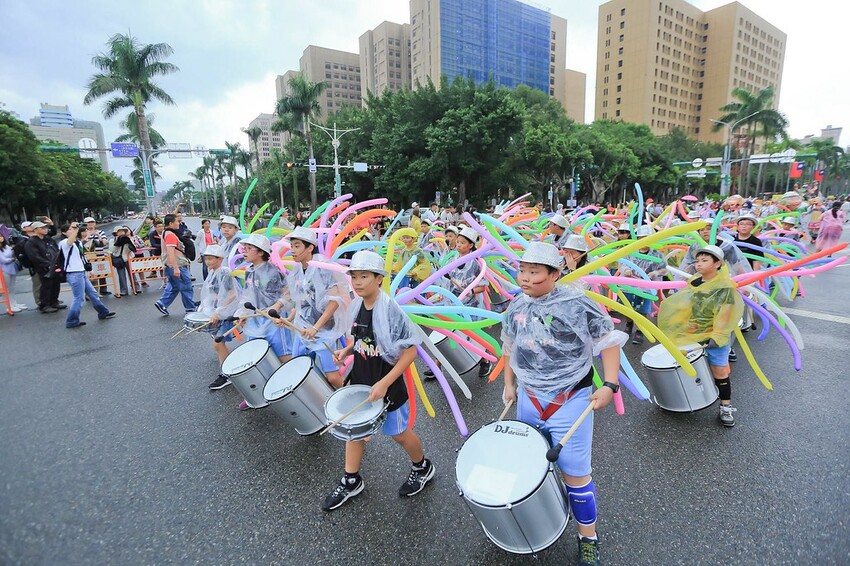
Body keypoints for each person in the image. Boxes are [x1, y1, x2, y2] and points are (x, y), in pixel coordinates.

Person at [501, 242, 627, 566]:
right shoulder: (516, 305)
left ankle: (588, 536)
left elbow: (608, 342)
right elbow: (510, 347)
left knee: (576, 475)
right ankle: (538, 519)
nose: (525, 278)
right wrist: (508, 385)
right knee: (530, 465)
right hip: (529, 398)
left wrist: (610, 385)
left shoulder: (577, 303)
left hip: (570, 401)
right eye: (522, 270)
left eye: (534, 272)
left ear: (555, 274)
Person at [324, 250, 434, 511]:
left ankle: (422, 467)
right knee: (354, 432)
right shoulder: (357, 306)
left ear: (379, 279)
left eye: (364, 276)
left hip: (389, 384)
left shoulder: (391, 311)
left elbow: (410, 351)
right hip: (362, 380)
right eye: (355, 276)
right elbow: (363, 339)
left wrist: (385, 383)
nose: (358, 282)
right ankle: (351, 480)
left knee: (398, 433)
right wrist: (347, 350)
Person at [658, 245, 744, 427]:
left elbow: (726, 314)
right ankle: (687, 399)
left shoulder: (725, 287)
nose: (698, 264)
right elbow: (686, 304)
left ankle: (725, 406)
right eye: (697, 260)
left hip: (714, 338)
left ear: (718, 264)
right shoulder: (695, 282)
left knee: (719, 372)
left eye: (705, 261)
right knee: (683, 366)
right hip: (692, 333)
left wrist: (717, 337)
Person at [285, 226, 350, 389]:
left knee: (332, 377)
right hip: (303, 329)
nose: (292, 250)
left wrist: (316, 327)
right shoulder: (297, 271)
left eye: (297, 246)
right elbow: (301, 302)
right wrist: (289, 319)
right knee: (299, 370)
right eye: (291, 246)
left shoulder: (323, 268)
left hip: (324, 330)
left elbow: (334, 301)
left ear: (310, 247)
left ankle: (348, 403)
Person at [442, 227, 491, 377]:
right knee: (448, 334)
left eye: (462, 243)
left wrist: (470, 292)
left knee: (475, 335)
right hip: (452, 305)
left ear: (470, 245)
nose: (458, 245)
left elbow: (483, 286)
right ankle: (438, 365)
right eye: (458, 242)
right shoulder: (451, 259)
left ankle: (485, 360)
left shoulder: (476, 264)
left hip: (470, 306)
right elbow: (445, 279)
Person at [197, 245, 241, 388]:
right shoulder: (212, 273)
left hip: (228, 313)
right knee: (218, 343)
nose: (208, 262)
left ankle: (226, 374)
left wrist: (220, 311)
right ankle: (228, 368)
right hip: (219, 313)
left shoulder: (225, 272)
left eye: (211, 259)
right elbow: (213, 294)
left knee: (218, 342)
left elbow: (232, 294)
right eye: (206, 259)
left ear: (220, 259)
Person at [58, 223, 116, 328]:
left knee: (93, 293)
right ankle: (71, 321)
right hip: (73, 273)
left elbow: (82, 258)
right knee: (79, 298)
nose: (73, 230)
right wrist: (76, 230)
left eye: (73, 229)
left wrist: (90, 270)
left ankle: (103, 312)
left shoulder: (78, 243)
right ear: (63, 233)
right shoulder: (63, 243)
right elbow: (69, 242)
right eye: (70, 229)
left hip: (81, 271)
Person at [618, 225, 666, 344]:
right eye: (641, 238)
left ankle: (640, 330)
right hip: (629, 284)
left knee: (643, 310)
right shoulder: (631, 250)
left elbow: (664, 269)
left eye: (646, 238)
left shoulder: (657, 254)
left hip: (646, 286)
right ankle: (629, 323)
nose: (643, 241)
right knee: (627, 308)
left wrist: (655, 273)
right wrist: (625, 270)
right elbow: (622, 262)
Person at [154, 214, 196, 316]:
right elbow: (170, 252)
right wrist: (176, 268)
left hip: (169, 266)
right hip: (178, 265)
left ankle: (162, 303)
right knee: (186, 287)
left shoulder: (165, 232)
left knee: (174, 287)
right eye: (177, 221)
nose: (179, 223)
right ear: (171, 223)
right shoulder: (171, 235)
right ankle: (190, 309)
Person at [24, 221, 64, 313]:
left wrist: (57, 261)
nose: (45, 229)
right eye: (42, 228)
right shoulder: (31, 242)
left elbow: (56, 249)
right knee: (46, 286)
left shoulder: (47, 239)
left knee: (55, 284)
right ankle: (45, 305)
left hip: (54, 265)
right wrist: (47, 264)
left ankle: (54, 302)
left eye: (46, 227)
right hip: (43, 267)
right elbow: (34, 256)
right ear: (36, 230)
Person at [0, 232, 26, 312]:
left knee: (12, 288)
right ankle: (9, 306)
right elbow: (3, 260)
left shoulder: (6, 246)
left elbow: (13, 252)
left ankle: (14, 303)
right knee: (7, 289)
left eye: (1, 236)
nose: (1, 238)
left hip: (12, 268)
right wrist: (12, 259)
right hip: (4, 270)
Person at [110, 226, 137, 296]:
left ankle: (136, 287)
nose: (121, 232)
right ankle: (124, 290)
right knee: (121, 275)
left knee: (132, 273)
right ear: (116, 233)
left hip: (128, 258)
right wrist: (118, 243)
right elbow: (112, 250)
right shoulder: (112, 241)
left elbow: (132, 249)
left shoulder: (128, 239)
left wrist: (128, 242)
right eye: (119, 231)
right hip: (119, 259)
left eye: (122, 231)